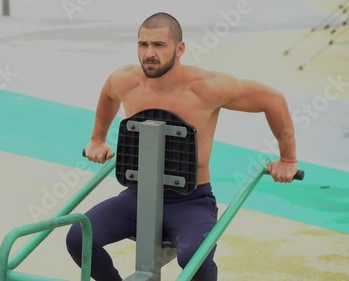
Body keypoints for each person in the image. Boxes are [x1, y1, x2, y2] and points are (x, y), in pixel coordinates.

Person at [66, 12, 299, 281]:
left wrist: (288, 159)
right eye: (143, 45)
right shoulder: (125, 80)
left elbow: (272, 99)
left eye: (159, 45)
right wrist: (97, 138)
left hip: (191, 199)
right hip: (137, 195)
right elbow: (108, 94)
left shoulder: (206, 87)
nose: (149, 53)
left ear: (180, 49)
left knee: (194, 259)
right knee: (78, 237)